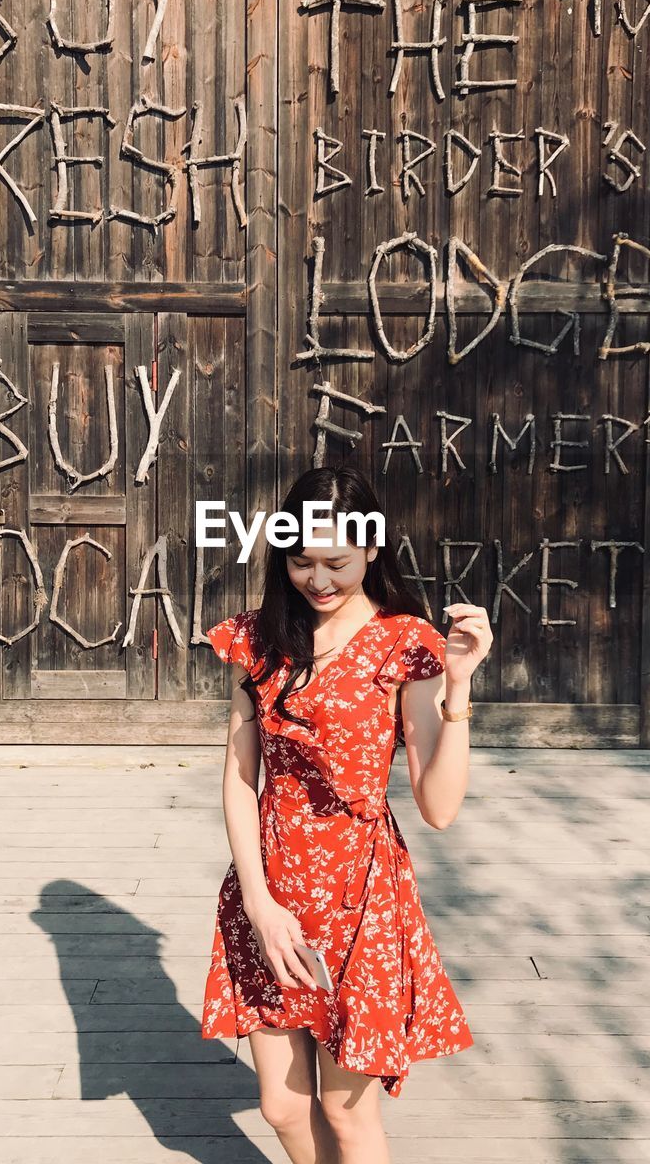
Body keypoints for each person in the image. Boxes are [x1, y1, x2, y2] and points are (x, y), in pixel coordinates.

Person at [201, 465, 493, 1164]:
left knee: (345, 1111)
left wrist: (457, 686)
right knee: (281, 1104)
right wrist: (259, 902)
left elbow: (439, 807)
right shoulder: (257, 639)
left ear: (371, 551)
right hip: (269, 889)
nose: (319, 579)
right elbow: (242, 780)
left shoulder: (404, 642)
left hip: (360, 897)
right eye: (301, 561)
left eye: (336, 561)